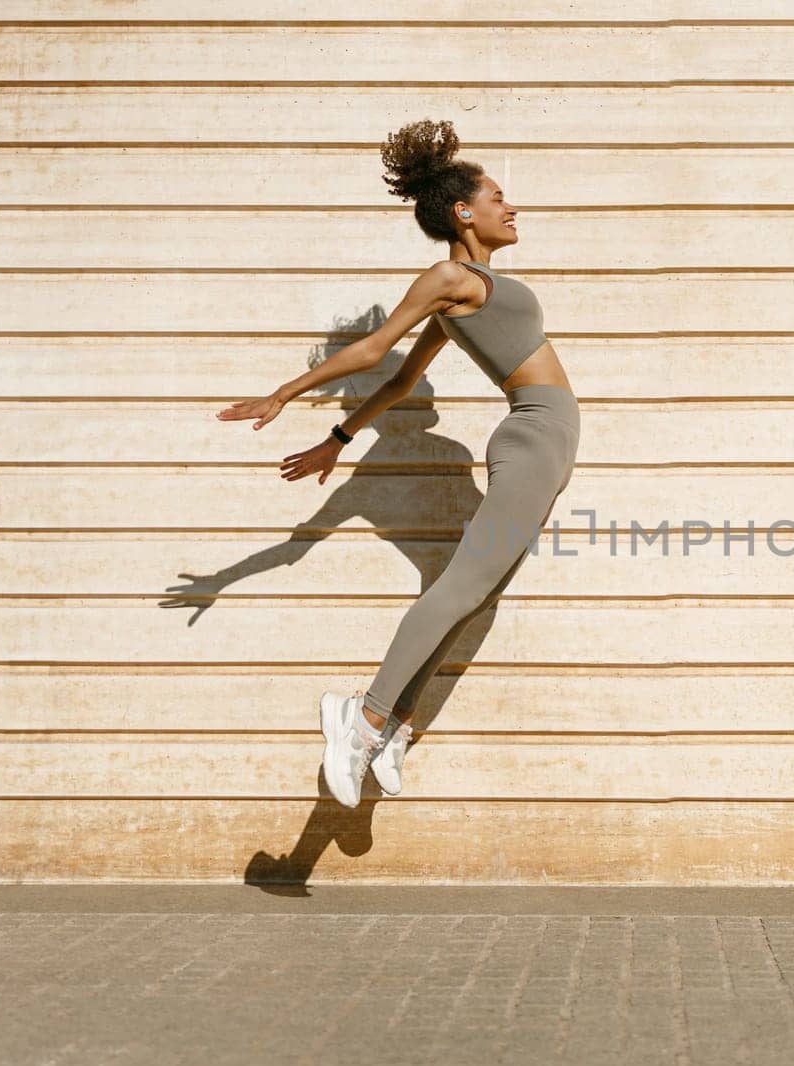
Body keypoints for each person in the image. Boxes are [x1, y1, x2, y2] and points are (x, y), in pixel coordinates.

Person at [216, 118, 580, 807]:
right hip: (534, 434)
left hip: (548, 443)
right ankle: (366, 716)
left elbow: (402, 383)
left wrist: (341, 438)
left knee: (479, 595)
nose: (512, 208)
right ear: (463, 212)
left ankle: (395, 723)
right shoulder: (451, 275)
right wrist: (287, 393)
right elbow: (373, 349)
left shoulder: (466, 292)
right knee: (461, 589)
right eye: (498, 196)